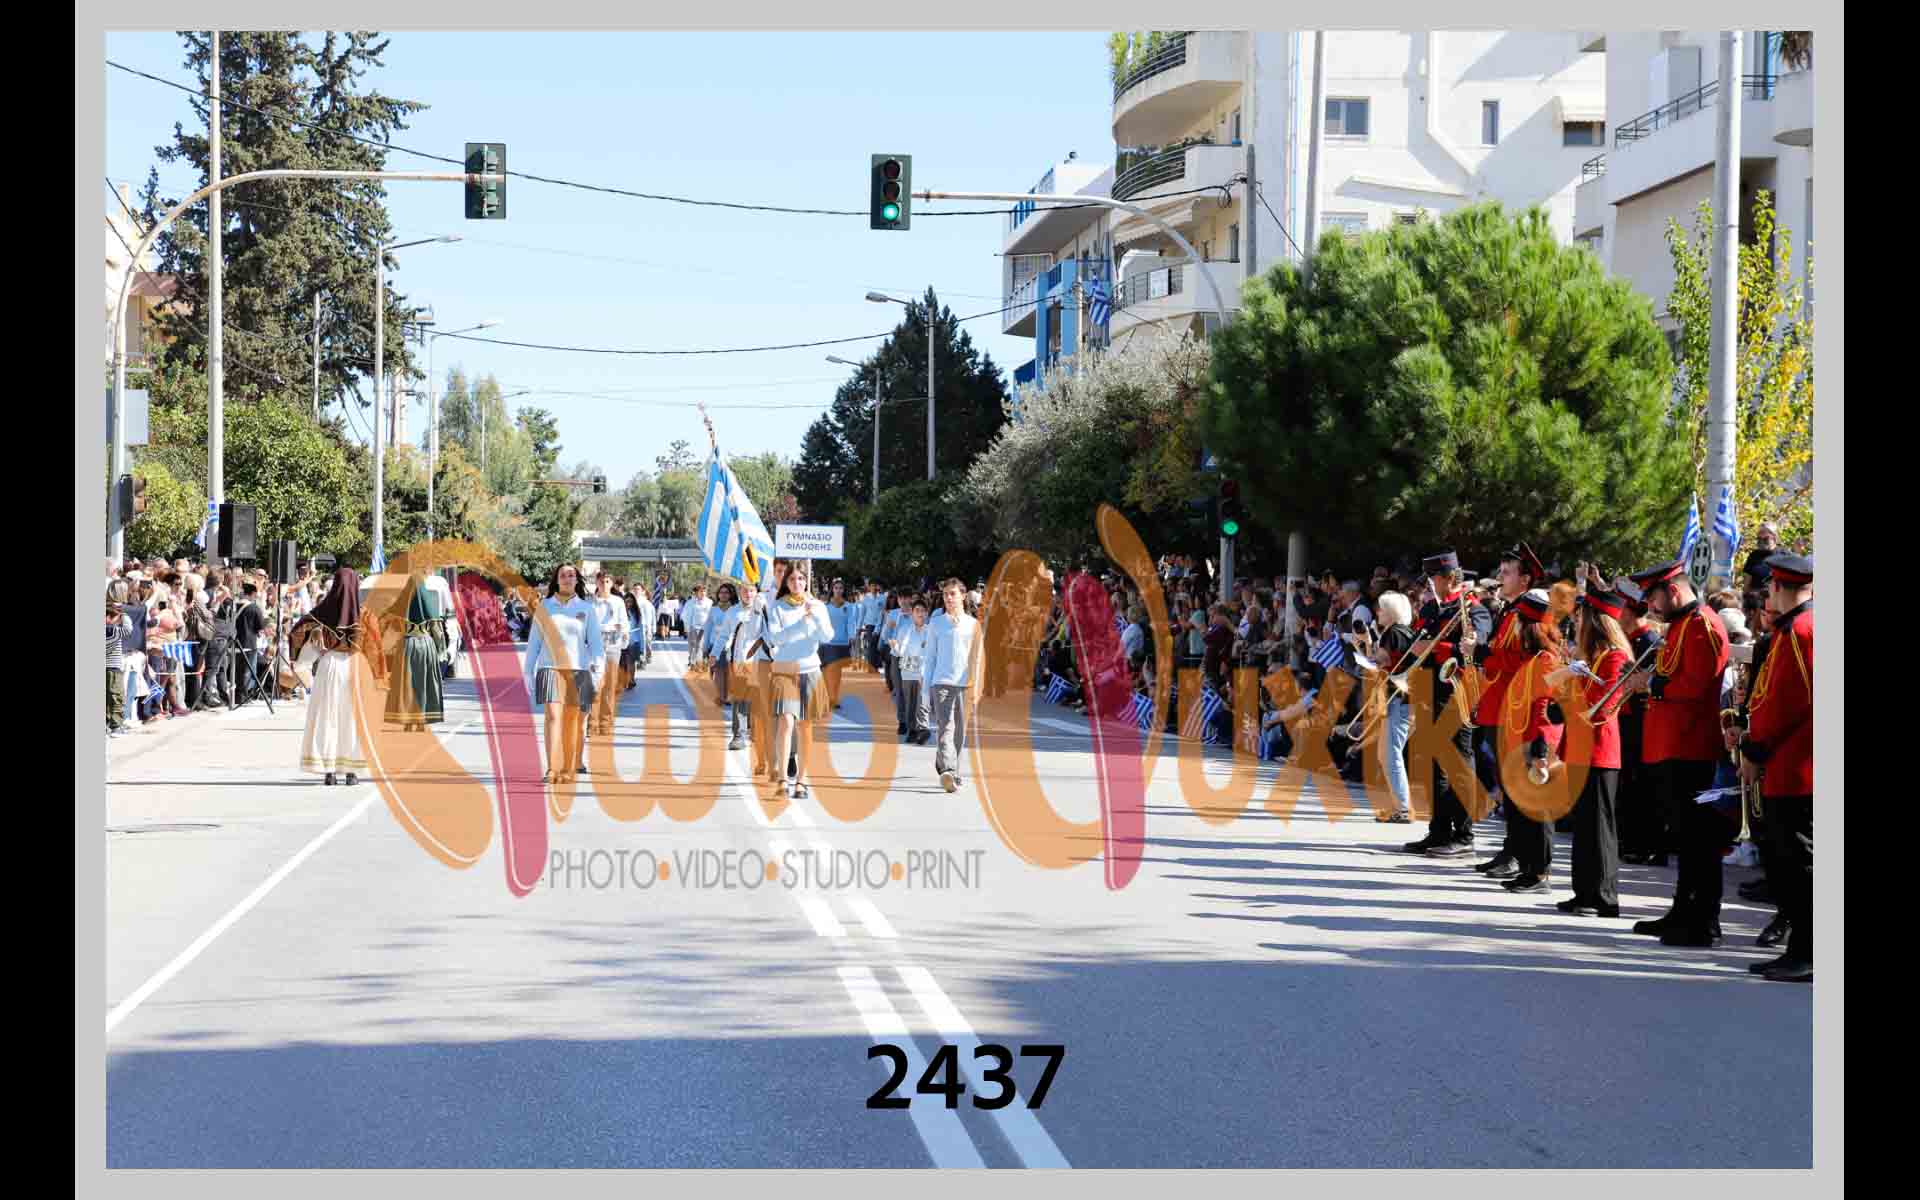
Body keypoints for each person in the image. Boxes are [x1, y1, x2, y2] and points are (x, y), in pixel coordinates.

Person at [1624, 557, 1733, 949]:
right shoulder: (1683, 624)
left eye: (1653, 597)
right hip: (1674, 745)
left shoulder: (1702, 624)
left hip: (1692, 747)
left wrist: (1650, 685)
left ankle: (1703, 920)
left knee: (1699, 840)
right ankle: (1683, 910)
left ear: (1672, 590)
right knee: (1685, 839)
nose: (1650, 607)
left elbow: (1695, 684)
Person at [1736, 554, 1813, 982]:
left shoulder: (1800, 631)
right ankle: (1799, 949)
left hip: (1796, 763)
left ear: (1780, 588)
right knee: (1789, 862)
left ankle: (1808, 952)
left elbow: (1786, 702)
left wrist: (1755, 749)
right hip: (1790, 761)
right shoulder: (1795, 629)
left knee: (1800, 864)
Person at [1545, 586, 1634, 917]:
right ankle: (1583, 891)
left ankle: (1604, 897)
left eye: (1583, 616)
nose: (1577, 622)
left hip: (1599, 749)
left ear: (1596, 621)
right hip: (1580, 748)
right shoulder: (1593, 657)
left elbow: (1603, 706)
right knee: (1583, 826)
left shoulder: (1615, 657)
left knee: (1599, 826)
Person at [1400, 551, 1492, 858]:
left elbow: (1476, 645)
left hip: (1457, 692)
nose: (1430, 584)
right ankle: (1439, 830)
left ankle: (1464, 834)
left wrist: (1435, 647)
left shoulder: (1473, 609)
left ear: (1449, 578)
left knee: (1458, 763)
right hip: (1429, 691)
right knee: (1432, 764)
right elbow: (1416, 640)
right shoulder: (1431, 607)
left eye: (1434, 578)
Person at [1469, 544, 1546, 879]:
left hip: (1512, 710)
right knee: (1507, 786)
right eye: (1500, 571)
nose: (1500, 577)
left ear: (1525, 579)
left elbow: (1524, 661)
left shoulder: (1528, 615)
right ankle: (1511, 849)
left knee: (1516, 787)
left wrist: (1482, 653)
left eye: (1507, 572)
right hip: (1497, 706)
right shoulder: (1510, 611)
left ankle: (1519, 854)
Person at [522, 563, 605, 785]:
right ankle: (552, 768)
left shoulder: (587, 609)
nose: (567, 579)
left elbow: (596, 644)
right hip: (549, 668)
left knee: (572, 721)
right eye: (563, 575)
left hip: (578, 670)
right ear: (557, 580)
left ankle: (568, 768)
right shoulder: (545, 607)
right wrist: (528, 670)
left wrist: (598, 671)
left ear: (577, 580)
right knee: (552, 716)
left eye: (571, 575)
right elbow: (534, 642)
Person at [287, 566, 367, 786]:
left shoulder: (320, 615)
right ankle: (351, 771)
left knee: (327, 716)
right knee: (352, 718)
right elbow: (376, 648)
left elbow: (296, 633)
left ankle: (328, 770)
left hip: (329, 665)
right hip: (354, 667)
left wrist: (308, 658)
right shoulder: (365, 615)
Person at [761, 560, 833, 800]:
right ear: (786, 582)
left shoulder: (817, 606)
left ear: (806, 581)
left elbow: (827, 636)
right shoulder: (777, 607)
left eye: (801, 579)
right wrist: (802, 624)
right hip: (785, 670)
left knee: (805, 725)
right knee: (786, 721)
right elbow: (776, 638)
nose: (797, 583)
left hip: (810, 670)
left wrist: (815, 618)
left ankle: (801, 780)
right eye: (792, 579)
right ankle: (783, 778)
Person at [923, 578, 981, 794]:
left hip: (965, 684)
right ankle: (948, 770)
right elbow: (930, 657)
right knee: (946, 726)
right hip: (942, 682)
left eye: (953, 593)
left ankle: (950, 768)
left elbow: (977, 658)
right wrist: (925, 689)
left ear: (963, 596)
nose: (948, 597)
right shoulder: (936, 624)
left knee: (959, 731)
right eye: (946, 594)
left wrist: (976, 686)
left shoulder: (973, 625)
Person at [385, 573, 446, 733]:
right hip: (426, 644)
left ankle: (408, 721)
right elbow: (437, 631)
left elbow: (393, 627)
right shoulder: (430, 603)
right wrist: (441, 649)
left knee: (406, 683)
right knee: (424, 681)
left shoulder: (401, 602)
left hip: (407, 645)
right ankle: (421, 721)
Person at [704, 583, 750, 750]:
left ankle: (752, 728)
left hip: (761, 661)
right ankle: (738, 735)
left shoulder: (764, 609)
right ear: (740, 592)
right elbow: (723, 635)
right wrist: (713, 653)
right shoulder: (733, 611)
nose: (748, 593)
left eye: (752, 590)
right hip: (738, 659)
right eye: (745, 590)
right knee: (739, 698)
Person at [590, 571, 629, 737]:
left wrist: (623, 638)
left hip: (613, 643)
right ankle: (592, 723)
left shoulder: (618, 601)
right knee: (594, 684)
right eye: (601, 581)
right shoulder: (590, 602)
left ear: (611, 584)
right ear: (596, 583)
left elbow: (624, 622)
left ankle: (605, 723)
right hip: (595, 644)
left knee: (610, 685)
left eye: (607, 581)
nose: (604, 584)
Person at [890, 599, 932, 744]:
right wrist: (895, 646)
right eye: (917, 611)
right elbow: (899, 652)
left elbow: (933, 653)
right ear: (912, 613)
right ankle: (912, 730)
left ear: (927, 613)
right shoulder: (905, 630)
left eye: (923, 611)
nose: (920, 613)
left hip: (923, 672)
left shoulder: (931, 631)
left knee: (923, 702)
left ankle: (923, 729)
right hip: (908, 671)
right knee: (910, 703)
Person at [821, 578, 855, 710]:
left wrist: (851, 637)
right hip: (827, 643)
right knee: (827, 671)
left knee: (836, 673)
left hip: (842, 643)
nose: (838, 590)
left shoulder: (849, 606)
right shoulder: (826, 607)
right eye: (836, 588)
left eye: (841, 588)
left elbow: (851, 622)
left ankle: (834, 698)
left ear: (844, 590)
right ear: (832, 590)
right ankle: (826, 697)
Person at [682, 583, 713, 669]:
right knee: (692, 645)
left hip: (704, 627)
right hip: (693, 627)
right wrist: (686, 627)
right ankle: (692, 659)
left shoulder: (709, 602)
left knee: (699, 645)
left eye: (704, 591)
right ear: (696, 593)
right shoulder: (690, 602)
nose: (703, 593)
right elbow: (685, 616)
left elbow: (711, 615)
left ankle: (696, 662)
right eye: (701, 591)